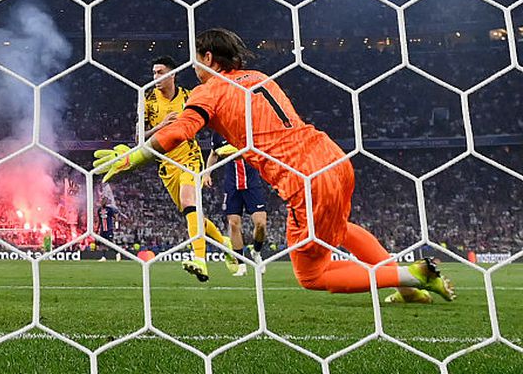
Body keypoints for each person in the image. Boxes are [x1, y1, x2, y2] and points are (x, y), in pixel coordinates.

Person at [94, 29, 455, 303]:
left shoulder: (210, 90)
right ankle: (410, 291)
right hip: (332, 156)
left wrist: (134, 157)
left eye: (196, 60)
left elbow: (181, 131)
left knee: (312, 276)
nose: (195, 68)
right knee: (339, 229)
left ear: (207, 57)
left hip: (303, 178)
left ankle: (412, 276)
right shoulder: (258, 77)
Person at [140, 56, 234, 281]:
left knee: (189, 201)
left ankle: (199, 260)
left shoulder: (188, 96)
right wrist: (162, 126)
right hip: (166, 164)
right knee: (191, 213)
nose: (156, 78)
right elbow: (139, 138)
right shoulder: (147, 100)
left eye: (160, 72)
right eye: (154, 73)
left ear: (173, 74)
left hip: (190, 157)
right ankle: (225, 243)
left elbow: (209, 118)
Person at [205, 138, 268, 277]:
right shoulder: (219, 134)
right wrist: (207, 173)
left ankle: (256, 252)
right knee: (234, 224)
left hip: (252, 185)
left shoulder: (248, 129)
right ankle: (241, 264)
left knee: (261, 224)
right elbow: (214, 153)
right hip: (232, 186)